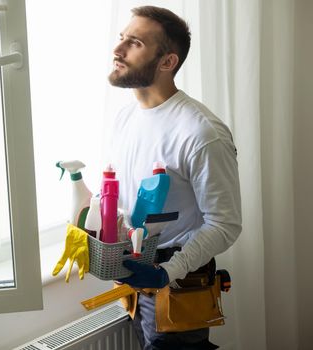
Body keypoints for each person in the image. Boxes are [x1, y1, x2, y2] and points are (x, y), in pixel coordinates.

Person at [107, 6, 242, 350]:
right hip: (134, 270)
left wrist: (169, 271)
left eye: (134, 43)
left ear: (167, 62)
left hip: (179, 280)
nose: (117, 50)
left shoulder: (201, 132)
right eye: (122, 38)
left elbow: (225, 224)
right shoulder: (126, 117)